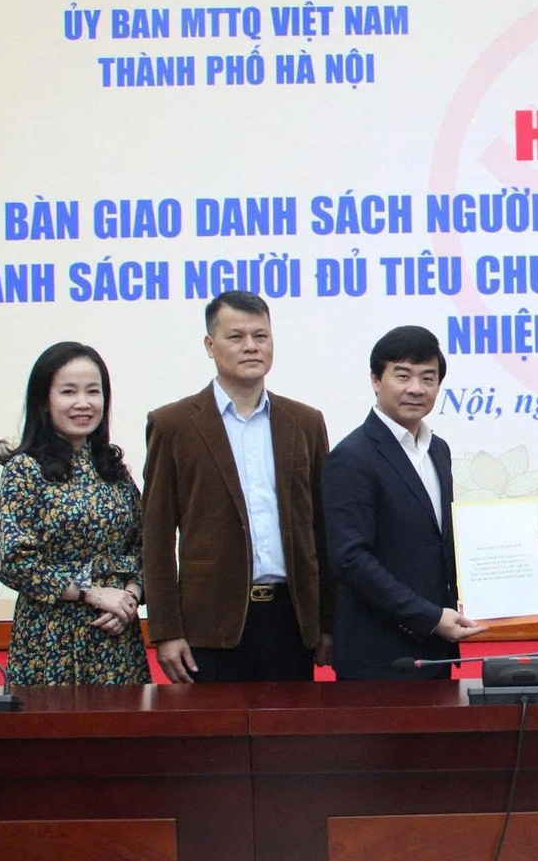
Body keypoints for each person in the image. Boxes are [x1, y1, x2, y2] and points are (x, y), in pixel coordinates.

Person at [141, 291, 334, 683]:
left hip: (290, 620)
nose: (251, 346)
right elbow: (156, 535)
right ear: (210, 345)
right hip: (209, 625)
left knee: (292, 724)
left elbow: (323, 529)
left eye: (261, 336)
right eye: (236, 337)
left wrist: (328, 621)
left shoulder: (304, 422)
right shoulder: (174, 424)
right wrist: (166, 630)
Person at [323, 326, 485, 680]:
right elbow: (350, 559)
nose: (416, 388)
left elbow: (436, 542)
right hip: (378, 656)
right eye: (403, 375)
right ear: (375, 380)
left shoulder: (438, 450)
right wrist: (428, 617)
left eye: (428, 378)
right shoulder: (352, 457)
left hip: (434, 650)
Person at [0, 342, 151, 685]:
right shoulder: (25, 469)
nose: (83, 403)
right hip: (50, 640)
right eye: (68, 392)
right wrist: (93, 594)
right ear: (44, 401)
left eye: (93, 391)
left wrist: (129, 597)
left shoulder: (114, 470)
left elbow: (145, 548)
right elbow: (12, 561)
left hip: (117, 639)